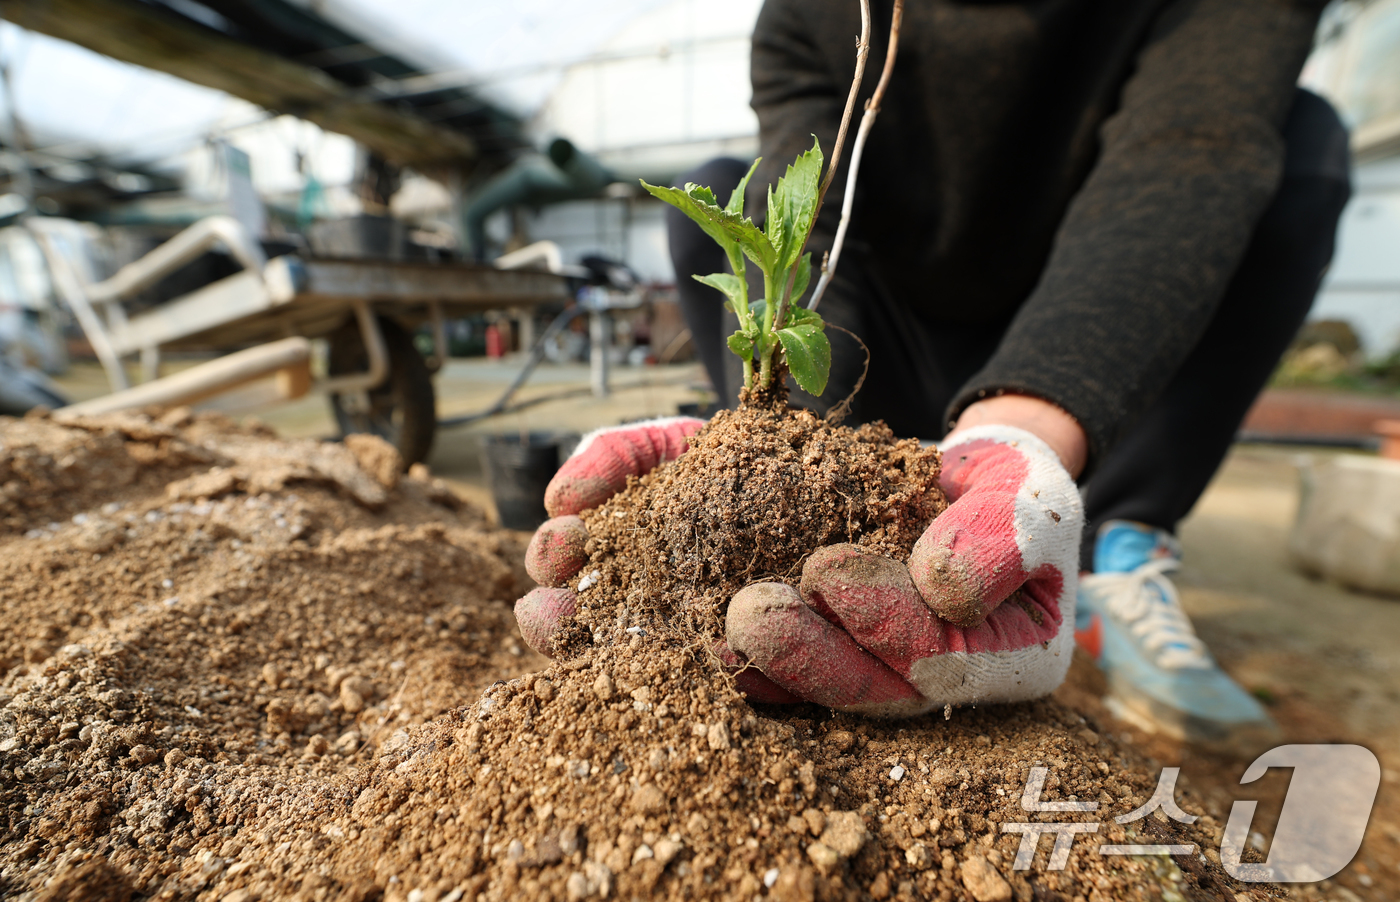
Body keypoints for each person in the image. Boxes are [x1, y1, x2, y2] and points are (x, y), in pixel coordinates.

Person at [519, 0, 1351, 752]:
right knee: (723, 200)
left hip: (1105, 340)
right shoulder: (810, 14)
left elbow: (1187, 157)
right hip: (892, 343)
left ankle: (1112, 542)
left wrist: (1024, 431)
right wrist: (783, 445)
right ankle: (866, 522)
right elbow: (805, 207)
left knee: (1302, 147)